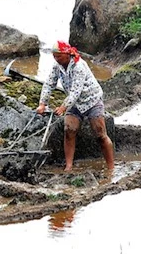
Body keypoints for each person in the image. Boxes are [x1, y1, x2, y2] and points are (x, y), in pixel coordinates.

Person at [36, 40, 115, 172]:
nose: (56, 59)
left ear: (67, 54)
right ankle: (69, 166)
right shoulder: (57, 66)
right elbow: (49, 83)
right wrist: (42, 104)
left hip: (91, 100)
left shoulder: (79, 66)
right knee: (69, 130)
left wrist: (63, 107)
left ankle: (111, 167)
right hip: (75, 104)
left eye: (59, 56)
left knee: (100, 135)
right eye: (54, 57)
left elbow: (75, 92)